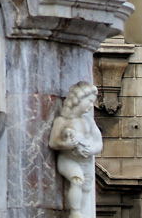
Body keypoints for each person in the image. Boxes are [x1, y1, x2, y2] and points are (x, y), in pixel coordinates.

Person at [49, 81, 102, 218]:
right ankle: (75, 212)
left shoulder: (88, 121)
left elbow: (98, 142)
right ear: (78, 99)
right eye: (89, 102)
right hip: (68, 159)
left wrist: (90, 150)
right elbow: (54, 143)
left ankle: (82, 212)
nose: (91, 106)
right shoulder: (62, 121)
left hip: (86, 160)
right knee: (77, 179)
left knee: (87, 187)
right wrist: (68, 145)